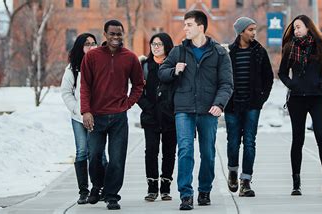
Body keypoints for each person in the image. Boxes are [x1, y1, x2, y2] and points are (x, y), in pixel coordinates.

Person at [159, 10, 233, 210]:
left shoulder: (219, 52)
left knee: (208, 153)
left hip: (209, 110)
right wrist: (175, 70)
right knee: (185, 150)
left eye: (189, 25)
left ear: (201, 27)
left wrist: (219, 104)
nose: (185, 29)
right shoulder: (178, 51)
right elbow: (162, 72)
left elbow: (227, 83)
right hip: (183, 108)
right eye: (184, 25)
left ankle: (205, 190)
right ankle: (186, 194)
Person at [80, 19, 144, 210]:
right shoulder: (92, 57)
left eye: (119, 34)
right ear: (105, 35)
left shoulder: (130, 57)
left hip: (118, 117)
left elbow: (139, 85)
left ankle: (112, 195)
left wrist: (128, 103)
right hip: (96, 116)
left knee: (117, 159)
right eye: (112, 34)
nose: (116, 37)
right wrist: (86, 111)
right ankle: (98, 186)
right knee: (95, 156)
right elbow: (85, 86)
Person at [278, 15, 322, 196]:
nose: (295, 30)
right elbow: (282, 73)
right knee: (298, 140)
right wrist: (292, 84)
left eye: (298, 27)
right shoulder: (290, 48)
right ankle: (296, 183)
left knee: (321, 137)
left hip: (317, 98)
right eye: (294, 28)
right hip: (297, 100)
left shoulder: (321, 45)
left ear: (308, 28)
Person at [225, 17, 274, 197]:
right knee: (233, 142)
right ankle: (232, 171)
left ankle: (245, 181)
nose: (254, 33)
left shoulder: (260, 52)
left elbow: (268, 78)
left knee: (250, 142)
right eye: (250, 29)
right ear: (241, 32)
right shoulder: (229, 52)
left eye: (255, 29)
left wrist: (261, 99)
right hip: (232, 105)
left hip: (252, 104)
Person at [137, 32, 177, 202]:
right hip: (151, 116)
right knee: (151, 151)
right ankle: (152, 187)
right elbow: (138, 90)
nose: (156, 47)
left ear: (167, 46)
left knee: (169, 152)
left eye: (159, 44)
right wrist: (147, 107)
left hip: (171, 117)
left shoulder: (175, 66)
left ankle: (166, 187)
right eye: (153, 44)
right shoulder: (145, 66)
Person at [60, 33, 98, 205]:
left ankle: (99, 188)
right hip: (78, 118)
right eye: (87, 44)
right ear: (80, 47)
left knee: (98, 153)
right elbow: (66, 93)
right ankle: (83, 191)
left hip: (98, 117)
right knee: (82, 151)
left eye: (93, 43)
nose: (91, 47)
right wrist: (79, 111)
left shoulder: (100, 65)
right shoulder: (72, 69)